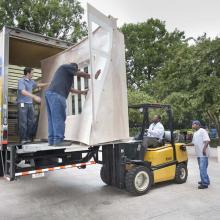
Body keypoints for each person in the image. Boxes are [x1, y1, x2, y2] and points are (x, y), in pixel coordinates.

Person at [45, 63, 101, 147]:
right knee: (59, 117)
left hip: (50, 94)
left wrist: (82, 92)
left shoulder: (64, 75)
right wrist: (93, 76)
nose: (77, 72)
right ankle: (58, 140)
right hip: (57, 94)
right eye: (76, 70)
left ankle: (52, 140)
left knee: (52, 118)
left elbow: (70, 89)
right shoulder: (66, 67)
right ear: (74, 68)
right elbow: (80, 74)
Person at [17, 67, 48, 144]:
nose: (33, 74)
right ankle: (23, 138)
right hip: (22, 103)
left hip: (30, 104)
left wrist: (48, 83)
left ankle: (28, 137)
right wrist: (34, 96)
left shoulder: (31, 81)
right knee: (23, 122)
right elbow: (23, 92)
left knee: (31, 121)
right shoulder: (21, 81)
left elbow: (37, 85)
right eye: (32, 73)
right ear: (28, 73)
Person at [185, 120, 210, 189]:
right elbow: (193, 143)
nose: (192, 125)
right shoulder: (195, 133)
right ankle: (206, 180)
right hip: (199, 154)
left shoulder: (202, 131)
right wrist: (185, 144)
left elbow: (207, 141)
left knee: (202, 168)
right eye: (192, 124)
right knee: (202, 168)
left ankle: (204, 183)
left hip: (203, 153)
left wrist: (204, 149)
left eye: (194, 124)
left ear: (198, 125)